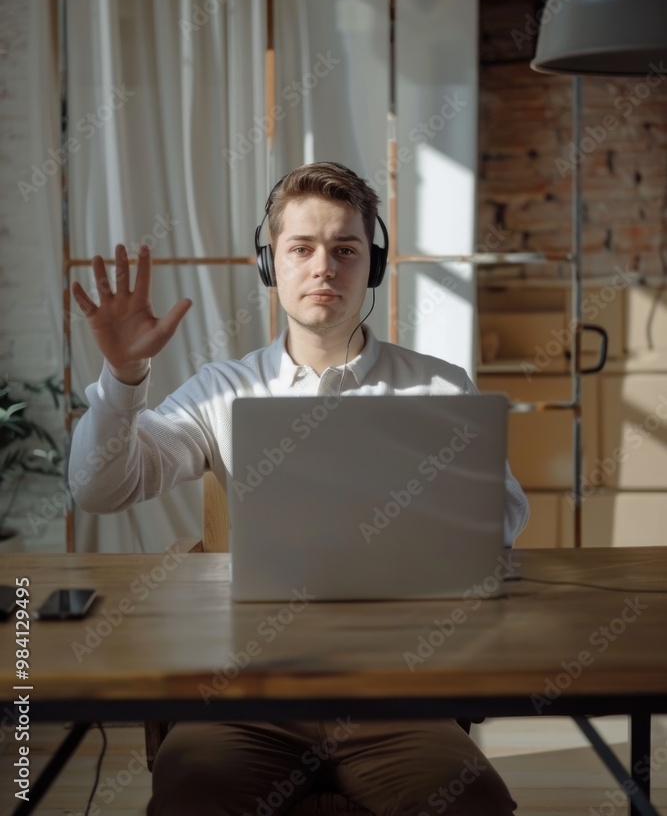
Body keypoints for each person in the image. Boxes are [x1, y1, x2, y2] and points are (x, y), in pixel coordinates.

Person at [70, 161, 528, 816]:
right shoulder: (223, 389)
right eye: (302, 249)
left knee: (473, 804)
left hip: (395, 696)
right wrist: (123, 377)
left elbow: (504, 516)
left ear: (371, 266)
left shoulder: (437, 386)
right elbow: (99, 489)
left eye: (345, 250)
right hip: (246, 698)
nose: (324, 268)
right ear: (270, 264)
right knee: (192, 797)